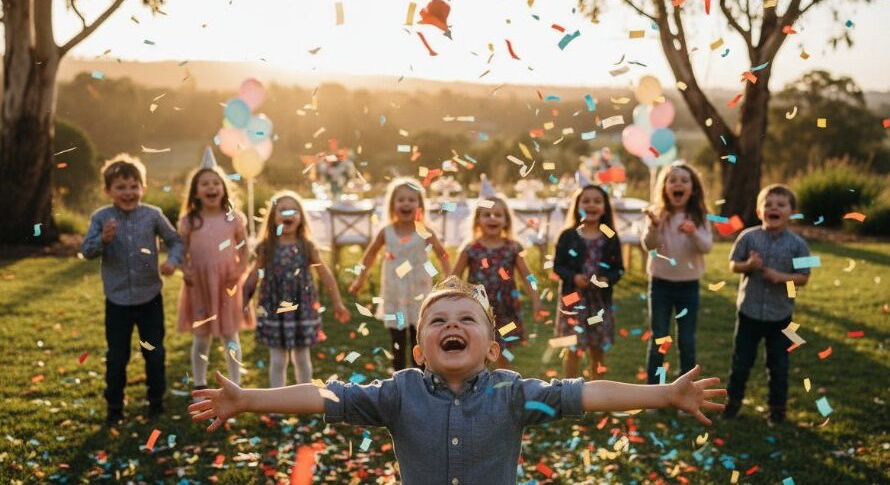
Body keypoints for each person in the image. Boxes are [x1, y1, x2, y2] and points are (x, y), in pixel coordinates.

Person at [189, 276, 726, 485]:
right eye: (438, 321)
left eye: (466, 319)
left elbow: (587, 393)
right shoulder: (397, 392)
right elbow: (324, 395)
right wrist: (248, 398)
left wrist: (664, 393)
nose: (451, 325)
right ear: (419, 347)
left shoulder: (513, 392)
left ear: (491, 348)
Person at [80, 154, 183, 424]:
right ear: (108, 191)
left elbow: (175, 241)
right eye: (121, 187)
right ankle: (114, 405)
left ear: (143, 188)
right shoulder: (101, 218)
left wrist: (172, 262)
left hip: (150, 298)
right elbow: (86, 251)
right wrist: (103, 240)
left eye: (134, 186)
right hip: (117, 302)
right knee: (117, 356)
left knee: (154, 352)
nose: (128, 193)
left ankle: (156, 401)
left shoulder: (152, 215)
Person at [243, 191, 351, 387]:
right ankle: (278, 403)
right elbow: (252, 277)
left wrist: (338, 303)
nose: (288, 214)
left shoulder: (307, 246)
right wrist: (243, 302)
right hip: (275, 310)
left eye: (293, 210)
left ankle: (304, 399)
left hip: (302, 310)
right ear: (273, 217)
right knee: (277, 360)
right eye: (282, 210)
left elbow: (325, 275)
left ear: (301, 217)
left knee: (302, 359)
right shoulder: (266, 247)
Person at [724, 184, 811, 424]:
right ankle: (732, 405)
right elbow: (733, 264)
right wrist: (747, 266)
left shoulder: (799, 245)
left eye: (781, 205)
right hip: (749, 313)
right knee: (741, 363)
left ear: (791, 212)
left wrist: (782, 278)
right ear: (759, 211)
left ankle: (777, 410)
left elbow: (804, 277)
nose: (774, 208)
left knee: (779, 366)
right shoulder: (748, 237)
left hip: (781, 317)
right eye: (768, 204)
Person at [348, 177, 451, 371]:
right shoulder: (386, 231)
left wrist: (449, 277)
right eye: (401, 199)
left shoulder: (424, 231)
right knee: (397, 337)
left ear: (420, 205)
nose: (406, 203)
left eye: (411, 200)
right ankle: (399, 376)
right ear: (392, 204)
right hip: (395, 293)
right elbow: (369, 255)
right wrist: (359, 279)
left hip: (418, 293)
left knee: (418, 336)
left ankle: (420, 377)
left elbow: (442, 254)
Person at [177, 154, 249, 394]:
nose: (211, 187)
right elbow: (182, 251)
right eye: (205, 184)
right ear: (196, 191)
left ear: (224, 189)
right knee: (201, 337)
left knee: (230, 334)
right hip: (199, 285)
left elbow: (245, 248)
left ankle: (235, 384)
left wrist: (239, 270)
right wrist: (185, 270)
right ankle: (200, 385)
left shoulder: (233, 219)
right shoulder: (190, 221)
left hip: (227, 284)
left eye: (216, 183)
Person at [451, 195, 545, 368]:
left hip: (506, 310)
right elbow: (454, 278)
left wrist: (536, 300)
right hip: (478, 310)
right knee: (477, 350)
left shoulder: (513, 247)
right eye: (487, 214)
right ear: (478, 220)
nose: (492, 218)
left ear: (506, 220)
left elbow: (527, 276)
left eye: (498, 214)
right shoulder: (470, 248)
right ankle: (477, 387)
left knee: (503, 350)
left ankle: (504, 386)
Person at [641, 161, 713, 385]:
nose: (678, 184)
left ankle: (685, 391)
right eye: (672, 180)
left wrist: (694, 234)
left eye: (684, 180)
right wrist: (653, 226)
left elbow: (707, 247)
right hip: (660, 285)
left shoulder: (699, 216)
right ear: (664, 187)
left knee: (687, 341)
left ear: (693, 189)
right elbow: (648, 245)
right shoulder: (657, 214)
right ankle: (654, 391)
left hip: (688, 287)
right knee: (659, 339)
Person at [553, 184, 624, 380]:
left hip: (599, 303)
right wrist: (574, 277)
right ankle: (569, 392)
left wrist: (605, 279)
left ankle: (597, 392)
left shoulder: (610, 236)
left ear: (604, 207)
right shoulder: (568, 235)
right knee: (573, 349)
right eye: (586, 201)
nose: (591, 205)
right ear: (577, 206)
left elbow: (619, 268)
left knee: (597, 350)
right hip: (573, 301)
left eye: (597, 201)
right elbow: (558, 266)